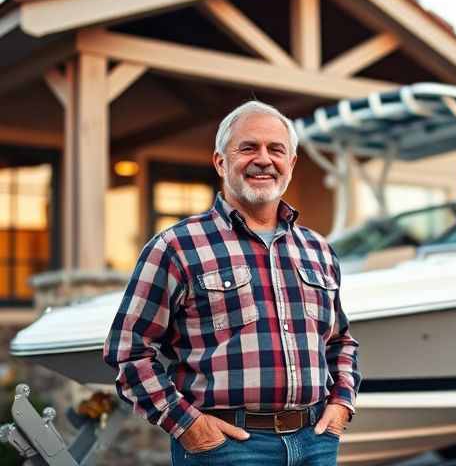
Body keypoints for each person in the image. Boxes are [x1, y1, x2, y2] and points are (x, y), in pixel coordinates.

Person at [104, 101, 360, 466]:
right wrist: (187, 425)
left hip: (315, 442)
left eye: (276, 149)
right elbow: (128, 351)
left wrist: (341, 405)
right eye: (248, 147)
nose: (263, 159)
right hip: (226, 448)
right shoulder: (176, 246)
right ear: (221, 162)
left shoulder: (318, 249)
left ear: (291, 163)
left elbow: (340, 342)